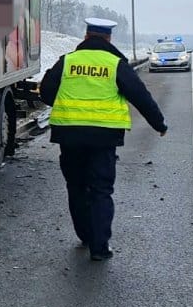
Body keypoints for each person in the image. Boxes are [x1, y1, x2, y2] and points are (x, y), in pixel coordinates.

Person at [38, 18, 167, 261]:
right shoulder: (114, 63)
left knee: (76, 186)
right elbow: (140, 96)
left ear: (86, 36)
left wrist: (68, 105)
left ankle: (85, 235)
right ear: (108, 38)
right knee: (100, 190)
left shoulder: (68, 61)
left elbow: (46, 91)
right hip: (104, 138)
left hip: (70, 135)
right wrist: (158, 124)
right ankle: (99, 247)